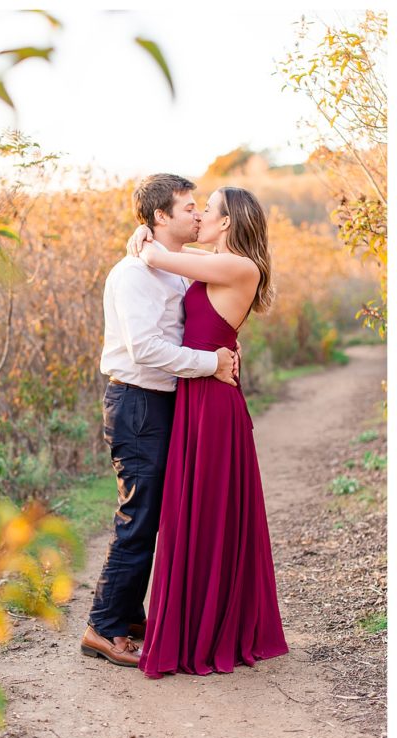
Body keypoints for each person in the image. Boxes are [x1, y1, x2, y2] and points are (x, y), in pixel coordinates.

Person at [126, 187, 289, 678]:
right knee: (191, 513)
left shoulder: (241, 267)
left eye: (207, 210)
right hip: (197, 391)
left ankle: (204, 631)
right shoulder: (218, 260)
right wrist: (146, 235)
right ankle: (194, 624)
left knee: (206, 515)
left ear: (226, 223)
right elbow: (173, 255)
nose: (199, 217)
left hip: (214, 404)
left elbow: (161, 255)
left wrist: (145, 238)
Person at [80, 174, 238, 667]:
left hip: (165, 404)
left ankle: (128, 617)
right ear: (160, 217)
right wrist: (210, 364)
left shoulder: (175, 268)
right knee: (138, 520)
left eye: (199, 206)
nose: (197, 214)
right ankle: (102, 628)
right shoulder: (132, 274)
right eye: (188, 207)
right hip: (137, 403)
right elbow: (144, 349)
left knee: (157, 518)